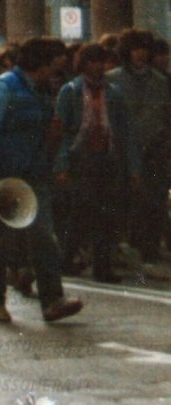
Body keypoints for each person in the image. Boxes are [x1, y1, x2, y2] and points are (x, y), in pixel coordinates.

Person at [0, 36, 83, 324]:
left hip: (35, 175)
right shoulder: (5, 86)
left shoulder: (44, 91)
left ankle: (52, 301)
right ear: (42, 64)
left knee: (44, 237)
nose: (57, 74)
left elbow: (50, 135)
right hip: (5, 176)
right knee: (0, 241)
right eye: (55, 67)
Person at [54, 43, 138, 283]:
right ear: (83, 64)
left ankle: (102, 267)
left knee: (105, 215)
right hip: (80, 159)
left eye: (101, 61)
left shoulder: (114, 92)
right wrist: (61, 165)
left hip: (107, 159)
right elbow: (63, 132)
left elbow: (126, 131)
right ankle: (67, 258)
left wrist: (133, 168)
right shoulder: (69, 91)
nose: (97, 66)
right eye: (92, 61)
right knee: (81, 212)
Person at [106, 28, 171, 264]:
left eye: (144, 49)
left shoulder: (160, 81)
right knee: (123, 198)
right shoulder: (112, 79)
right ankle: (122, 244)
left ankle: (149, 247)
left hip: (154, 147)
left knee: (155, 198)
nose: (140, 54)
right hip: (122, 148)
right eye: (135, 49)